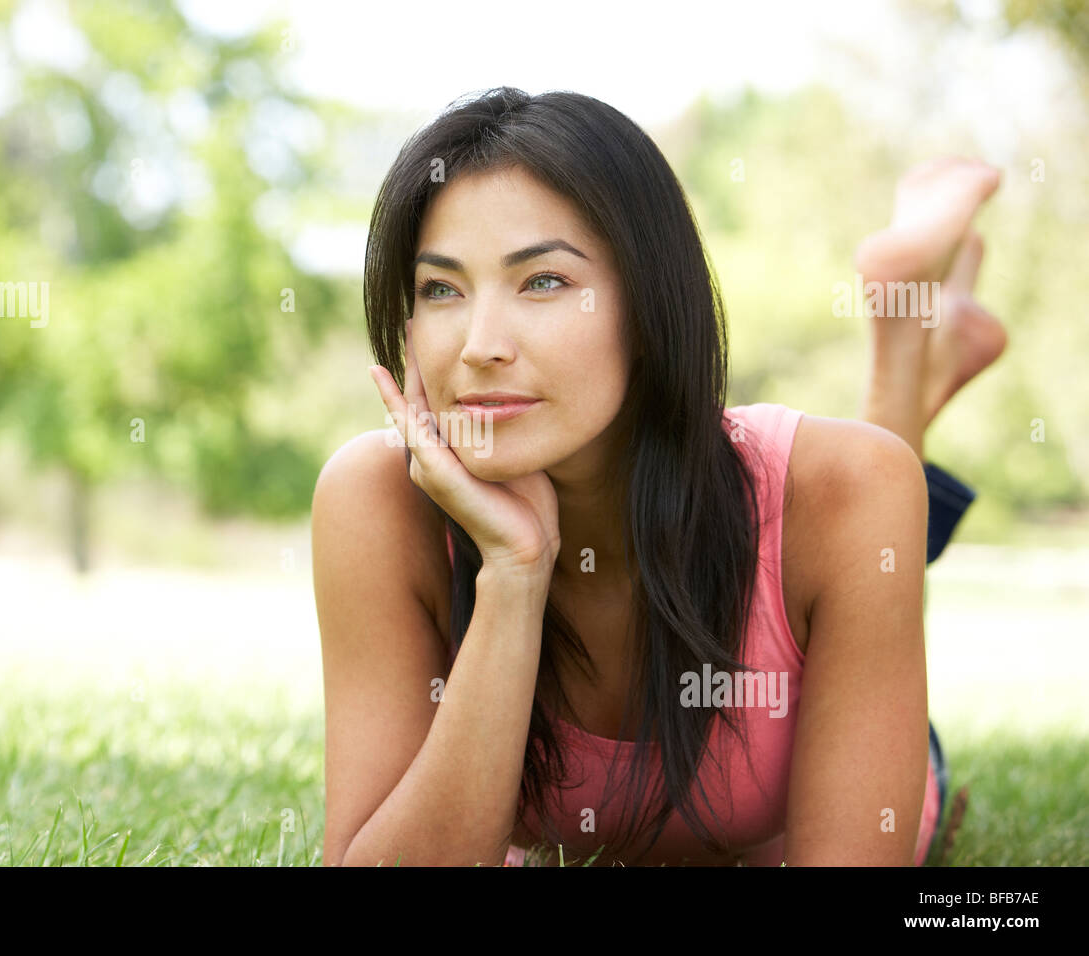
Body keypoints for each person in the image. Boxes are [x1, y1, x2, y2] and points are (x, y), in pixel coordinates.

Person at [314, 87, 1005, 866]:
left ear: (648, 309)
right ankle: (922, 331)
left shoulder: (843, 485)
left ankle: (906, 336)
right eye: (441, 288)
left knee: (873, 492)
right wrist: (513, 574)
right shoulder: (376, 498)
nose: (479, 346)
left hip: (823, 720)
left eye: (543, 281)